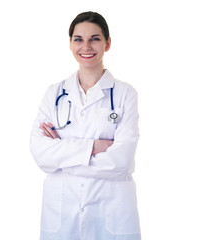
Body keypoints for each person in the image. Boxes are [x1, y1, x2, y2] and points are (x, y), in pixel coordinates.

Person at [30, 11, 141, 240]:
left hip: (112, 214)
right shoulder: (54, 93)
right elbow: (40, 154)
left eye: (95, 38)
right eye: (78, 39)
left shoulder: (125, 94)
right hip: (62, 214)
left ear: (107, 43)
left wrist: (61, 158)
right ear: (70, 44)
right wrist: (94, 146)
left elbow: (122, 161)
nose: (86, 46)